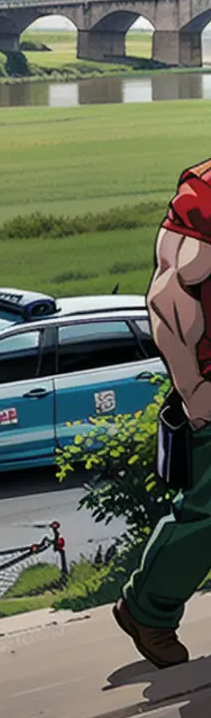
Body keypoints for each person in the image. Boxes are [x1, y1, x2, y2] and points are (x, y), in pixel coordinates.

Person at [116, 160, 211, 668]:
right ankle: (147, 609)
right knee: (207, 516)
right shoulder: (206, 195)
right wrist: (193, 388)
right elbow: (168, 294)